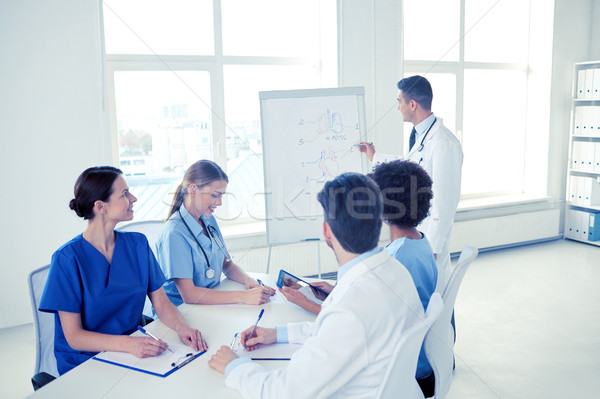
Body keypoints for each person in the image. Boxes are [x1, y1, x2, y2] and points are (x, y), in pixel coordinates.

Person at [208, 172, 424, 398]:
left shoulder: (351, 308)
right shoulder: (396, 271)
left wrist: (235, 366)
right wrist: (278, 333)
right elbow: (334, 330)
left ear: (326, 231)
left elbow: (285, 392)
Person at [39, 166, 207, 375]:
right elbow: (74, 337)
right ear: (101, 206)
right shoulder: (67, 259)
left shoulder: (137, 244)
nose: (134, 198)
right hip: (86, 363)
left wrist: (183, 328)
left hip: (134, 352)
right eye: (125, 194)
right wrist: (127, 344)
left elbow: (161, 303)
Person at [359, 75, 463, 294]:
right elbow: (412, 164)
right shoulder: (422, 137)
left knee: (435, 303)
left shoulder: (444, 144)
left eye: (399, 101)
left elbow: (445, 204)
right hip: (418, 238)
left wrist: (432, 248)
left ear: (412, 104)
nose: (398, 107)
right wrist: (376, 157)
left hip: (429, 244)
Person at [156, 160, 275, 306]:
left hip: (210, 304)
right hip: (182, 313)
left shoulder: (208, 219)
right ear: (193, 189)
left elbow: (227, 264)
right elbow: (189, 295)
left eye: (221, 196)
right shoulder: (174, 233)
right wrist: (244, 296)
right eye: (214, 195)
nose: (219, 202)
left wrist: (249, 281)